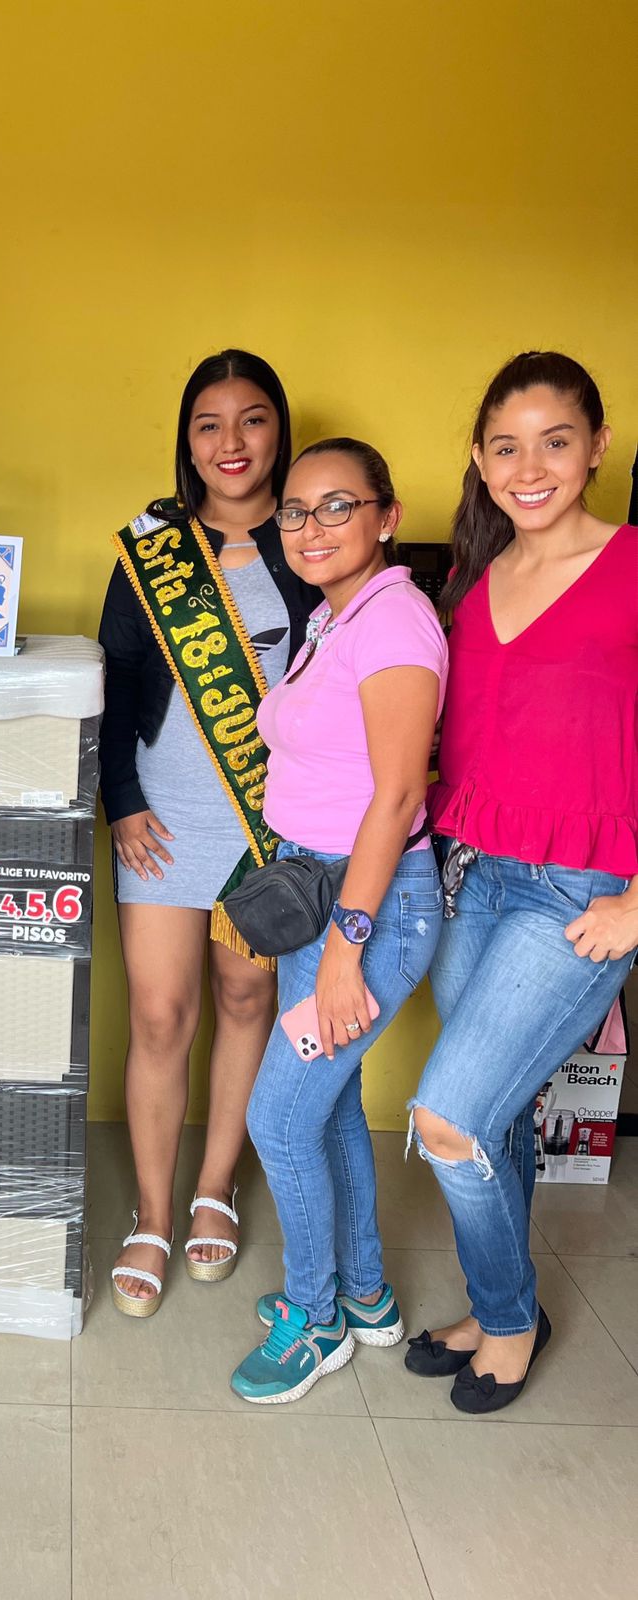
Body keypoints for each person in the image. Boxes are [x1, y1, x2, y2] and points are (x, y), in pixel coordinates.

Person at [406, 352, 638, 1414]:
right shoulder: (474, 575)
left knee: (448, 1118)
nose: (529, 467)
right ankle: (492, 1303)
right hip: (472, 877)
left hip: (578, 893)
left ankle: (508, 1317)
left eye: (555, 441)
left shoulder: (629, 564)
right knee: (493, 1120)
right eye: (506, 446)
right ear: (479, 457)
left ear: (596, 446)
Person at [98, 350, 317, 1316]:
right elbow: (113, 679)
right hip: (161, 818)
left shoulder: (311, 542)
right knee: (158, 1015)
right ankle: (151, 1213)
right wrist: (119, 799)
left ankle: (214, 1188)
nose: (232, 442)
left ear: (280, 431)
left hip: (266, 819)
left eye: (252, 419)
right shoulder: (153, 549)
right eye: (209, 424)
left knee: (244, 997)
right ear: (187, 442)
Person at [230, 438, 447, 1404]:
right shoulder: (334, 616)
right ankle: (364, 1294)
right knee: (330, 1105)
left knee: (278, 1119)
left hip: (369, 909)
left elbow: (397, 796)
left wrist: (345, 951)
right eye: (295, 511)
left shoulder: (393, 621)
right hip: (316, 893)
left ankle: (315, 1321)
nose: (310, 528)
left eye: (337, 506)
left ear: (385, 516)